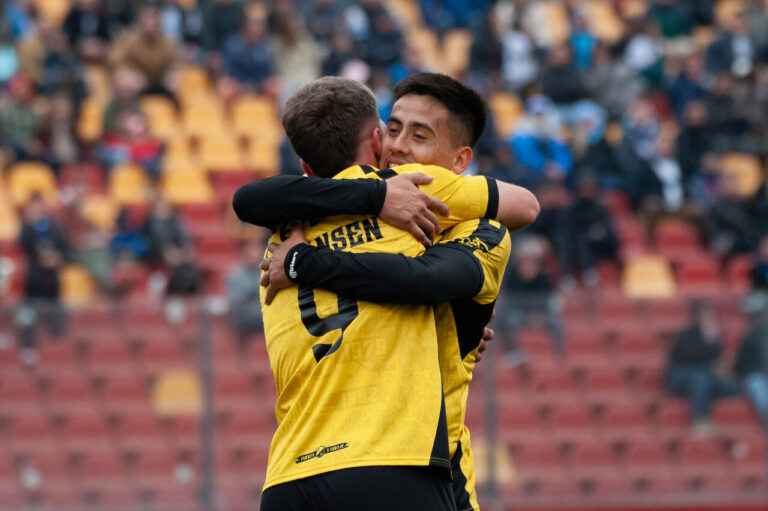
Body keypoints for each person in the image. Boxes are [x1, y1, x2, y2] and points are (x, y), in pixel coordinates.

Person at [235, 73, 538, 511]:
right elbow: (433, 273)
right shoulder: (415, 192)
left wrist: (303, 260)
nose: (399, 146)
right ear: (376, 138)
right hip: (399, 459)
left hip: (289, 477)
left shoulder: (287, 225)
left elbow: (249, 199)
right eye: (393, 130)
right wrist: (376, 195)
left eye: (419, 135)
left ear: (460, 160)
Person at [665, 300, 741, 436]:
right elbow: (691, 356)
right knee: (700, 377)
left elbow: (714, 361)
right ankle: (700, 420)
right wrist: (709, 342)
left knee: (732, 387)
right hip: (680, 376)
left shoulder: (714, 338)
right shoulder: (686, 335)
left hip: (706, 377)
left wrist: (714, 343)